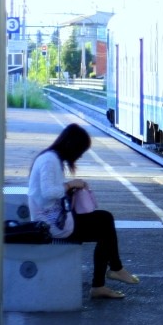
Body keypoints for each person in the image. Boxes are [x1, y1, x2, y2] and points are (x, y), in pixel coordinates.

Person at [28, 123, 140, 300]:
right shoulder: (50, 160)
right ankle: (108, 276)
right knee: (105, 222)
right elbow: (49, 192)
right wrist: (72, 184)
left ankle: (106, 279)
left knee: (104, 222)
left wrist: (70, 187)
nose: (79, 156)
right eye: (80, 151)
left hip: (55, 219)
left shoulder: (51, 158)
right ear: (72, 146)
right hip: (51, 224)